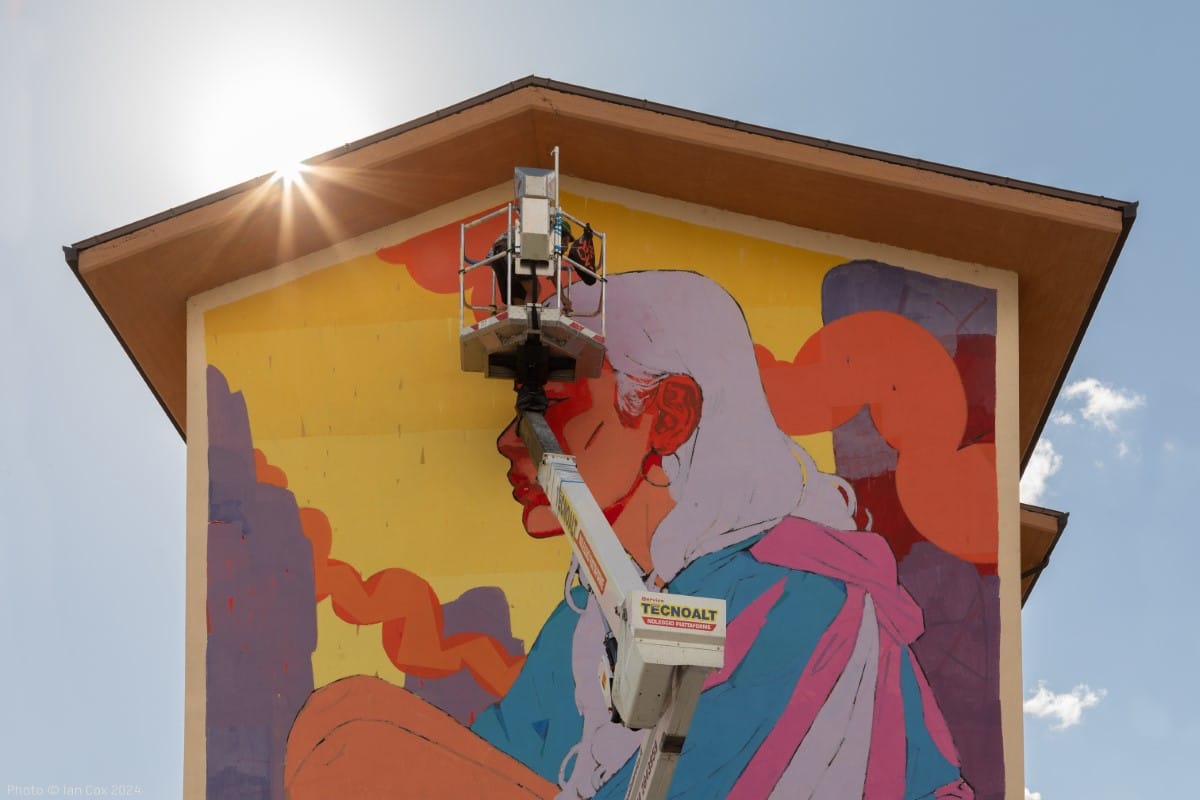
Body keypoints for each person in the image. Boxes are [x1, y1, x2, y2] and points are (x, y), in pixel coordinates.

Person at [286, 270, 972, 799]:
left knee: (357, 743)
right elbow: (504, 761)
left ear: (669, 414)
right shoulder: (589, 614)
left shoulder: (801, 598)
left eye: (551, 408)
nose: (510, 441)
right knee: (348, 721)